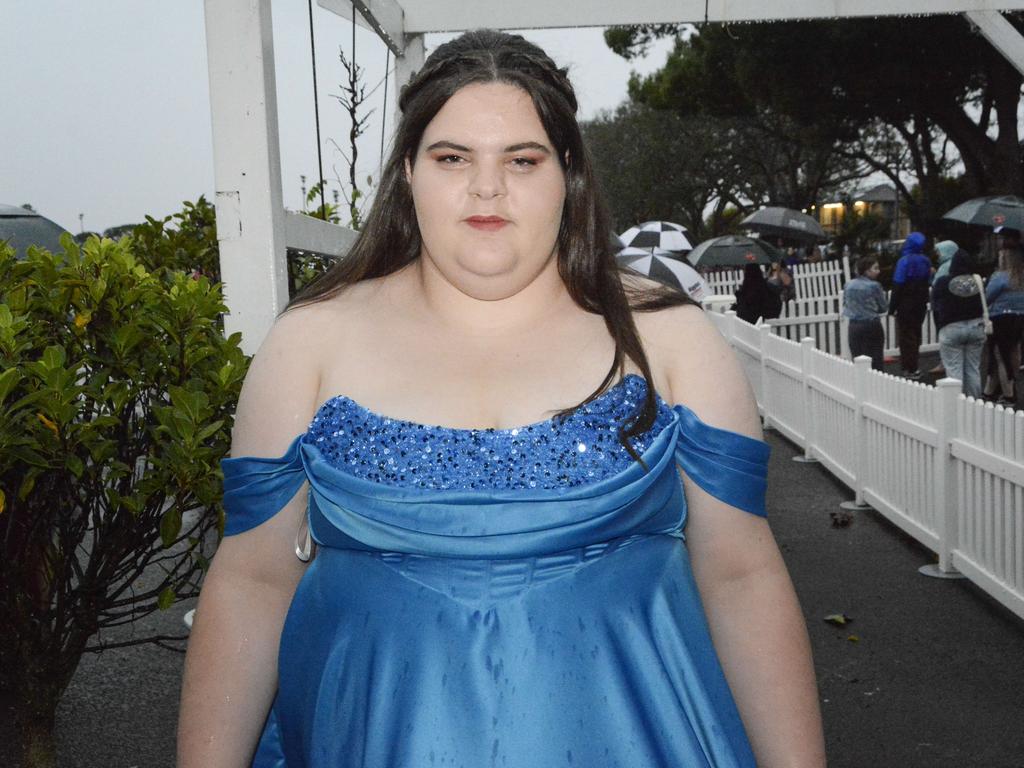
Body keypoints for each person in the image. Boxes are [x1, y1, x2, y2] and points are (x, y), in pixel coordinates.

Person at [177, 30, 825, 768]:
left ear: (569, 175)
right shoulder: (306, 345)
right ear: (409, 174)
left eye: (522, 159)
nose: (488, 188)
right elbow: (253, 582)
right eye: (454, 158)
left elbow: (742, 575)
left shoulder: (671, 342)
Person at [931, 250, 985, 397]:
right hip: (976, 327)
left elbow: (935, 306)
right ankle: (974, 404)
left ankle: (956, 405)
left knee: (954, 370)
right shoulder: (977, 281)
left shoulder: (942, 282)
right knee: (973, 369)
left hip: (951, 327)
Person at [983, 243, 1024, 405]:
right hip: (1019, 317)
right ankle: (992, 390)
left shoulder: (1000, 277)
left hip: (1000, 318)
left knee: (999, 355)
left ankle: (1008, 394)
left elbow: (987, 297)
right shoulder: (1020, 276)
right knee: (1013, 353)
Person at [888, 231, 933, 379]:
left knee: (905, 336)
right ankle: (914, 366)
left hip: (905, 303)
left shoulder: (904, 261)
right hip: (920, 302)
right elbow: (928, 280)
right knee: (916, 333)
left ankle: (908, 367)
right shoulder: (925, 260)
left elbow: (898, 285)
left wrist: (892, 307)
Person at [842, 256, 888, 370]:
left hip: (854, 325)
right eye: (875, 268)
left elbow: (845, 304)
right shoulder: (874, 286)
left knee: (857, 356)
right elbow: (883, 307)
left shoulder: (848, 285)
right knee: (875, 357)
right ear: (867, 270)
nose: (878, 271)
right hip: (871, 324)